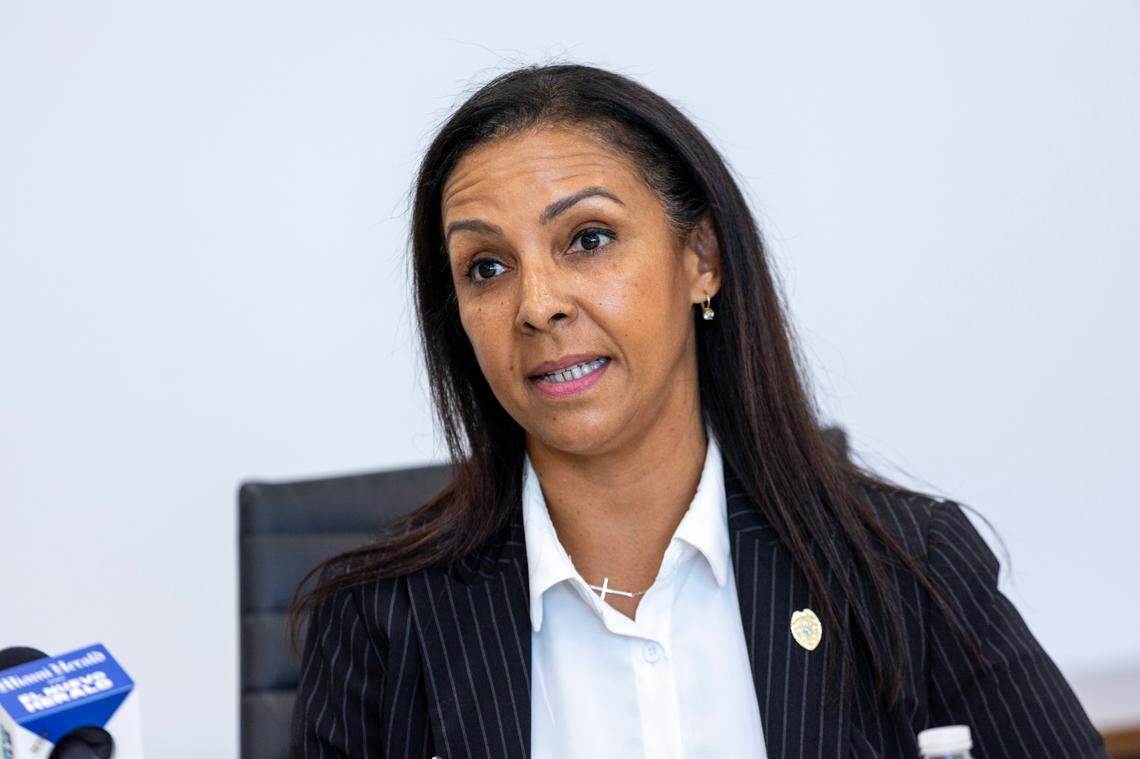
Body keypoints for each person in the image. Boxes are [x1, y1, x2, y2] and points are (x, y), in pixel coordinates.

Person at [286, 63, 1109, 758]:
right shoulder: (380, 624)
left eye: (589, 239)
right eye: (488, 267)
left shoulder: (910, 573)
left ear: (701, 259)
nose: (537, 305)